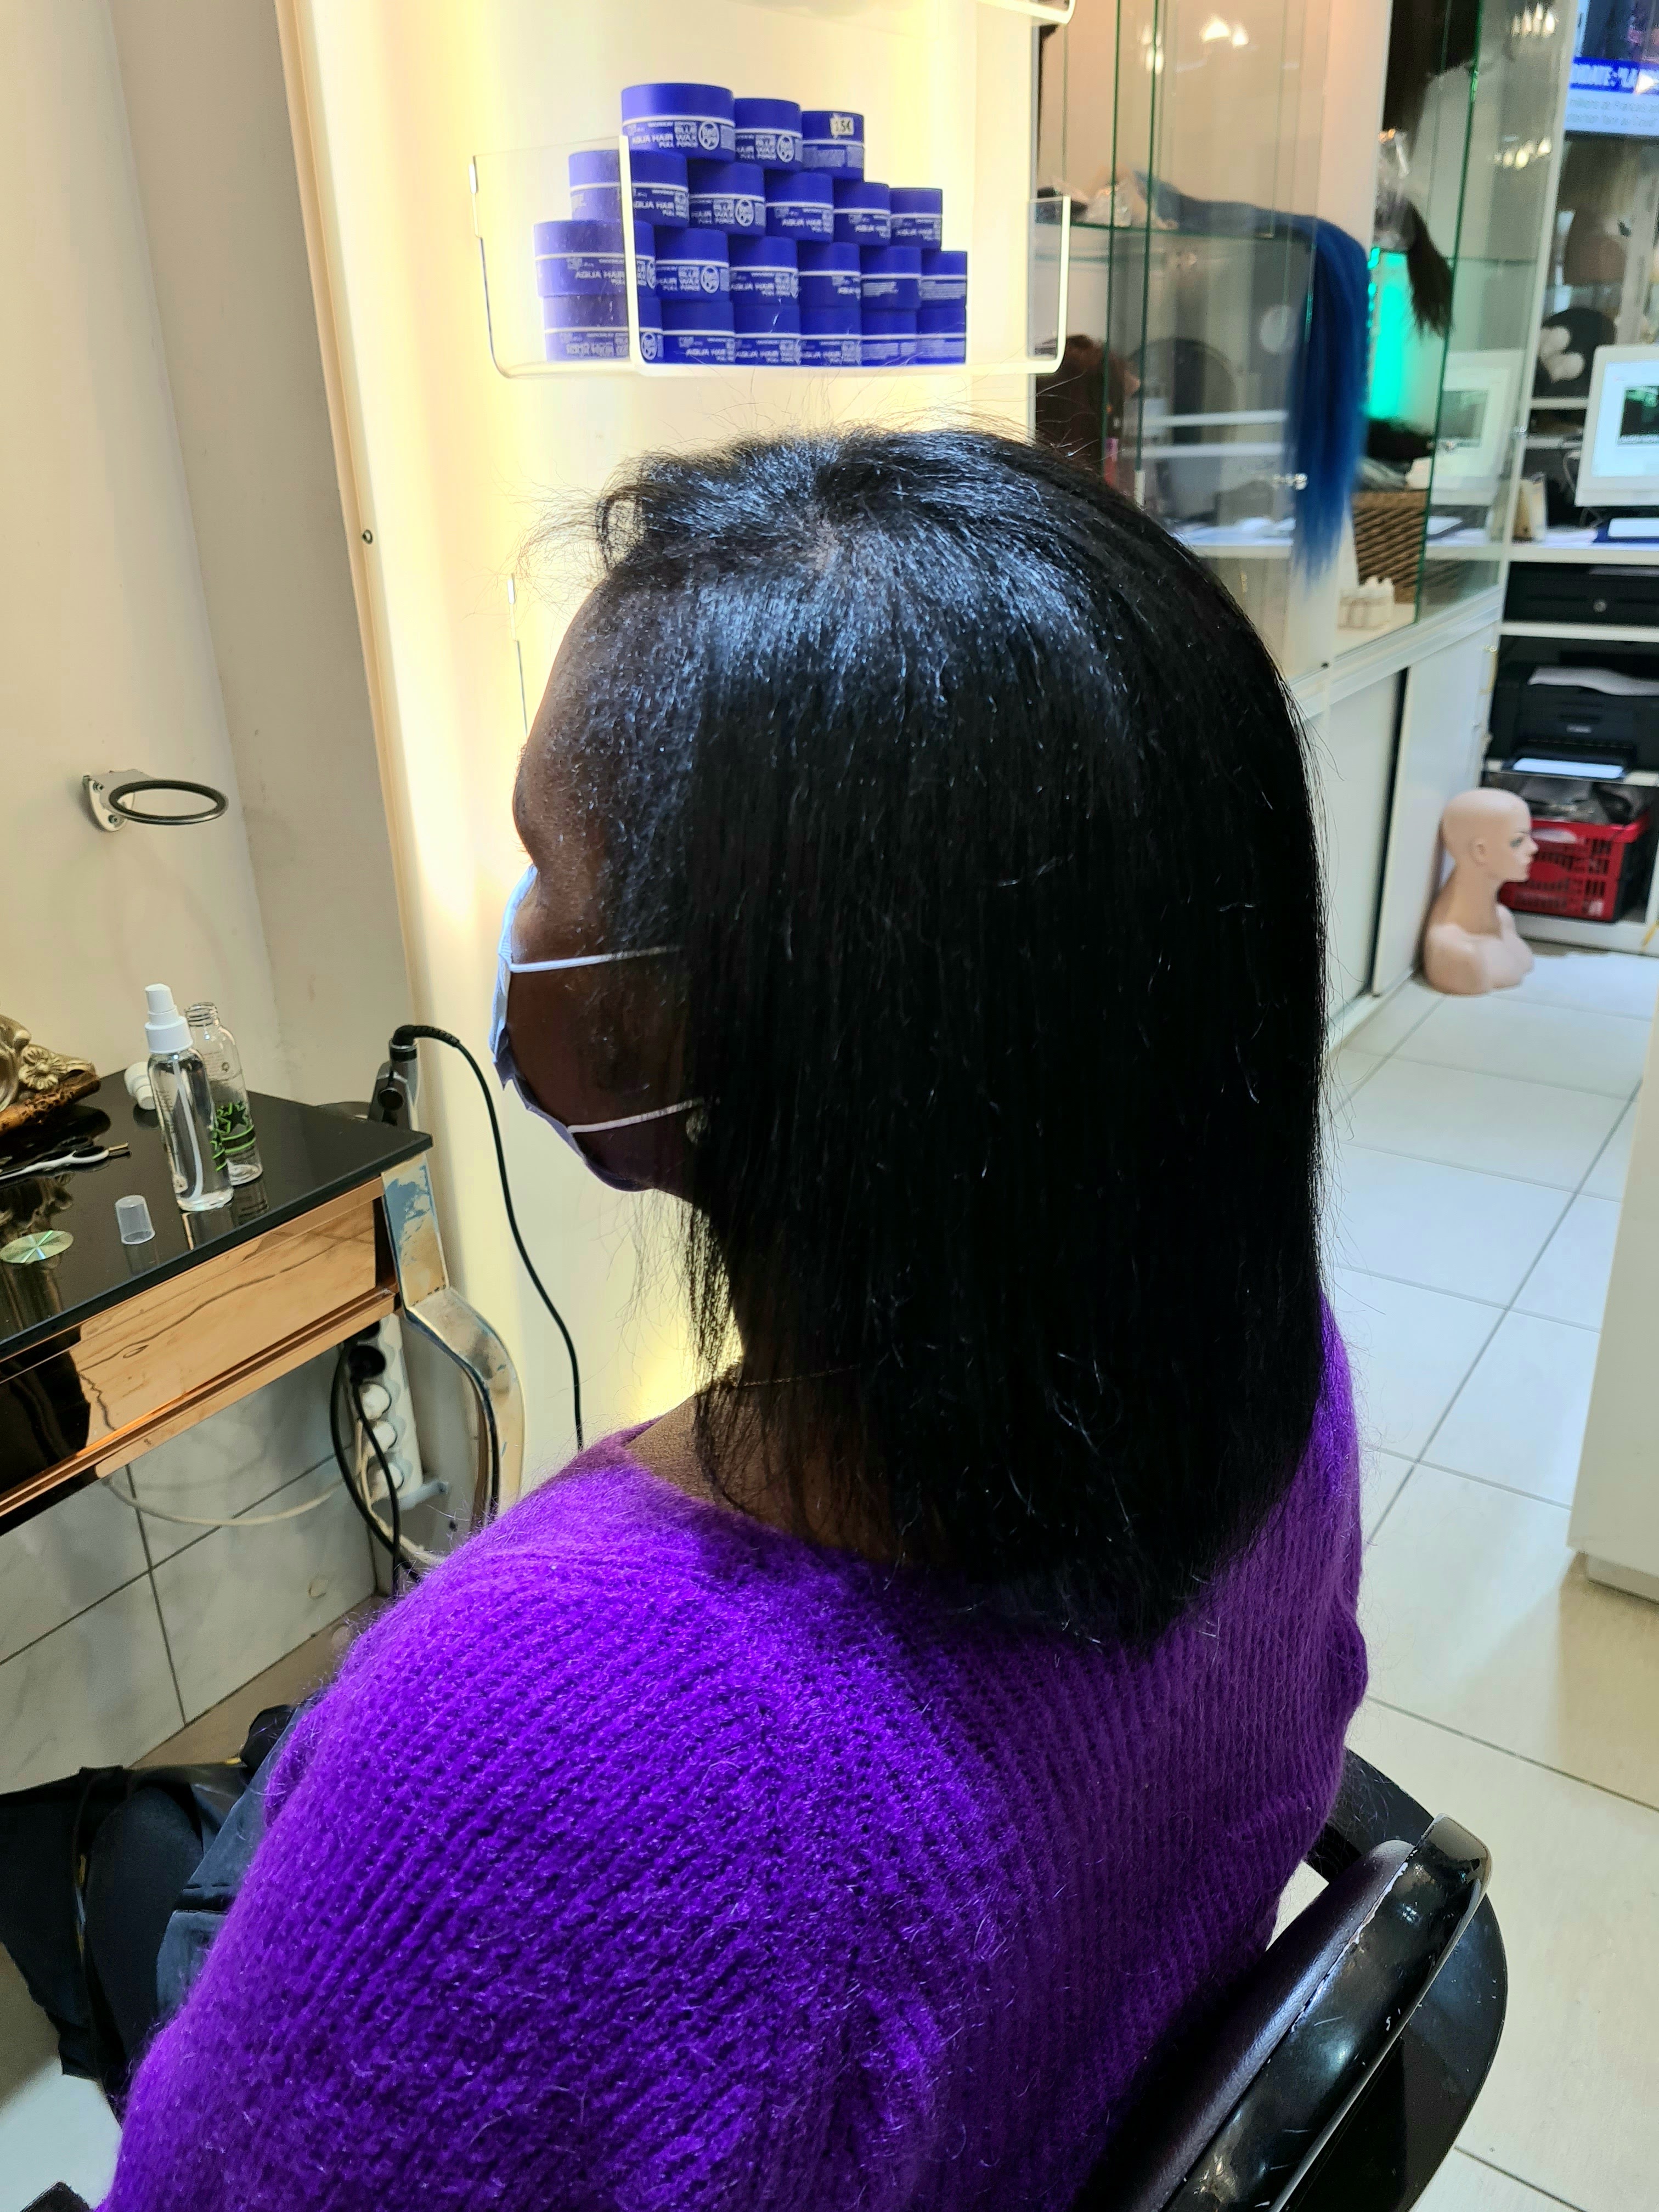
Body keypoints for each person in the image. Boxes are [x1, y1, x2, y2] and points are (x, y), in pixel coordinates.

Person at [100, 428, 1364, 2209]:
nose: (519, 925)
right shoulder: (1269, 1378)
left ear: (722, 1025)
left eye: (548, 864)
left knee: (117, 1868)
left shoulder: (529, 1760)